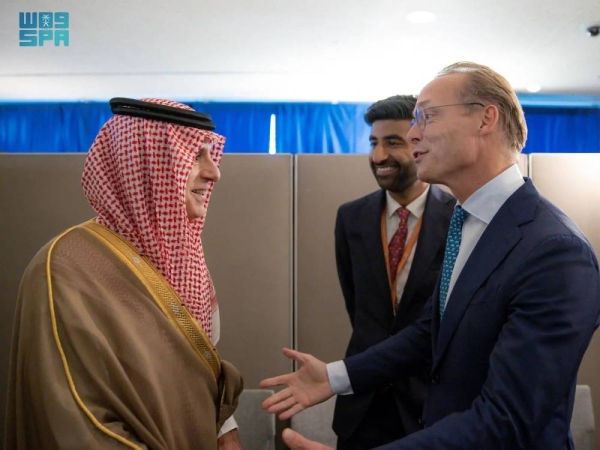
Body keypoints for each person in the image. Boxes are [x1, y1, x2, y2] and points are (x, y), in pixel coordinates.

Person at [261, 62, 600, 449]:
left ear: (485, 119)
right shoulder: (468, 221)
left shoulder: (555, 252)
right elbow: (432, 333)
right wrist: (336, 377)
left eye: (427, 116)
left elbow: (509, 419)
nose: (413, 133)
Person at [4, 98, 244, 450]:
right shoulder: (65, 268)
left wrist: (226, 429)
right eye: (196, 156)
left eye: (211, 155)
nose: (214, 172)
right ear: (149, 166)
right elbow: (75, 417)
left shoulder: (187, 262)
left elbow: (199, 370)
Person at [333, 95, 455, 449]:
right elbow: (357, 306)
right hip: (363, 405)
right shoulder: (350, 217)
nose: (378, 156)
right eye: (373, 143)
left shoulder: (458, 219)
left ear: (420, 144)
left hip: (430, 405)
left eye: (393, 142)